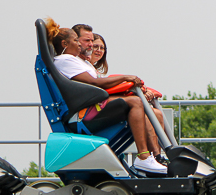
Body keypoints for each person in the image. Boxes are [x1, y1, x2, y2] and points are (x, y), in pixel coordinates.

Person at [44, 18, 167, 174]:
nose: (81, 45)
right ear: (65, 45)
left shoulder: (81, 62)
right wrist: (125, 78)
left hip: (92, 106)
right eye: (78, 41)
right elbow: (95, 83)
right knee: (135, 103)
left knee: (152, 112)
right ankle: (143, 157)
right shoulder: (64, 60)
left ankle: (156, 158)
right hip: (84, 115)